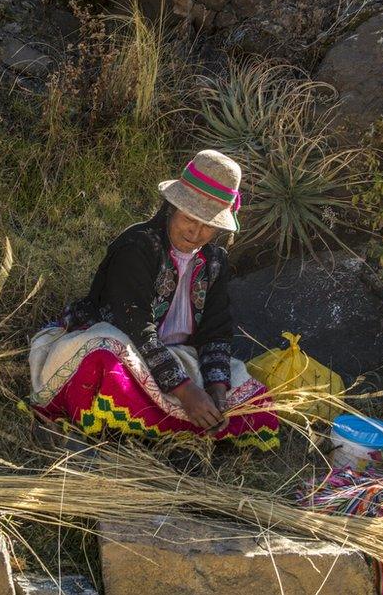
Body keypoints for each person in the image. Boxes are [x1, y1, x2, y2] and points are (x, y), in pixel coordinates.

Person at [28, 150, 279, 450]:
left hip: (179, 356)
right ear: (172, 207)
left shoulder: (214, 262)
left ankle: (159, 431)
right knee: (104, 364)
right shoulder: (137, 246)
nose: (196, 232)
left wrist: (216, 390)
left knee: (259, 405)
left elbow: (216, 330)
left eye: (208, 225)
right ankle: (155, 431)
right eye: (189, 218)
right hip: (125, 348)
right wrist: (186, 393)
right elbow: (135, 326)